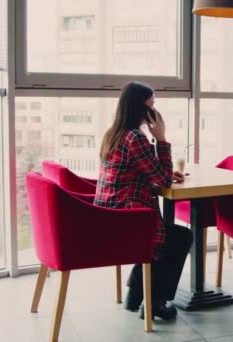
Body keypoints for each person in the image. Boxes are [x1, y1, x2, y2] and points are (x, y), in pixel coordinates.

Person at [94, 81, 193, 320]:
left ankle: (137, 294)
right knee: (181, 237)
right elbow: (162, 180)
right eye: (152, 105)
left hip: (108, 218)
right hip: (126, 222)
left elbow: (149, 174)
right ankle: (155, 302)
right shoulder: (135, 138)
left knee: (168, 236)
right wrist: (161, 139)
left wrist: (164, 173)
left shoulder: (114, 134)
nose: (155, 112)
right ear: (142, 109)